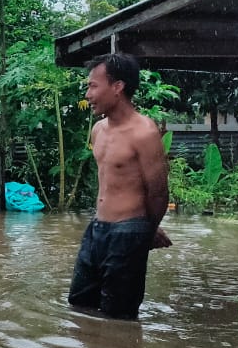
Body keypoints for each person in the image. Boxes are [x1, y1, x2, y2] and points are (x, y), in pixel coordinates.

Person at [68, 53, 172, 321]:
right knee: (79, 304)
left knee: (119, 315)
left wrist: (147, 230)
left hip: (129, 230)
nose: (88, 94)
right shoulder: (98, 130)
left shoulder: (144, 133)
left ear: (117, 87)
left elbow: (159, 191)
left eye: (93, 86)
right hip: (97, 228)